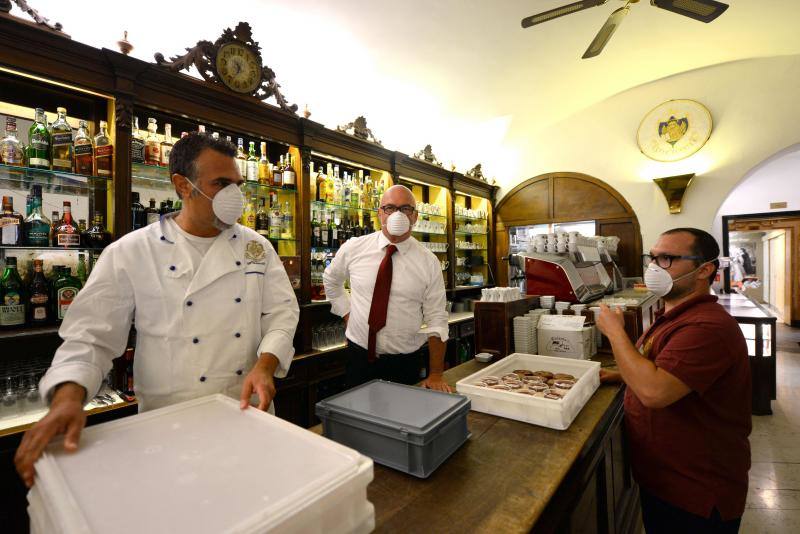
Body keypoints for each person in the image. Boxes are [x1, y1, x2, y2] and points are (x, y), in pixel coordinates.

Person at [15, 133, 299, 487]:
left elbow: (283, 313)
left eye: (237, 184)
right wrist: (67, 399)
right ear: (182, 185)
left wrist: (265, 364)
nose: (235, 196)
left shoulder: (258, 247)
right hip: (169, 425)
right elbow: (90, 335)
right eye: (221, 184)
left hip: (246, 412)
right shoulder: (133, 250)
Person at [596, 228, 751, 534]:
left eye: (666, 259)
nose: (653, 267)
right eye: (651, 257)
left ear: (704, 270)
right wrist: (620, 374)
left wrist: (614, 331)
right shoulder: (677, 315)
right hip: (665, 480)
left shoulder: (708, 327)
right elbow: (664, 370)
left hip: (695, 492)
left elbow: (654, 391)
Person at [323, 184, 450, 392]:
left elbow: (437, 317)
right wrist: (347, 314)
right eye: (390, 208)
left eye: (405, 209)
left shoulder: (428, 261)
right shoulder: (355, 247)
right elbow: (331, 280)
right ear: (379, 214)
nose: (397, 214)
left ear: (415, 216)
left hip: (405, 362)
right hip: (359, 356)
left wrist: (436, 373)